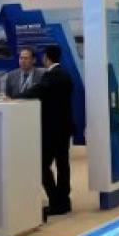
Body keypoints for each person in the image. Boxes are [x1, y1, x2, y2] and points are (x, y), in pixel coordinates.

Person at [19, 45, 74, 216]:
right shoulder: (66, 75)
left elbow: (38, 90)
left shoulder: (51, 76)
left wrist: (16, 97)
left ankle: (56, 201)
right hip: (64, 128)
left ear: (46, 58)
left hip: (52, 130)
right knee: (63, 165)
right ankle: (64, 201)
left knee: (41, 165)